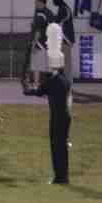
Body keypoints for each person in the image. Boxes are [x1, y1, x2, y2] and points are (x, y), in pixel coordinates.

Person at [38, 23, 71, 184]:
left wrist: (27, 90)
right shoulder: (63, 79)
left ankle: (60, 176)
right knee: (61, 147)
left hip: (58, 117)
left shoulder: (55, 80)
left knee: (57, 147)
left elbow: (40, 91)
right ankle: (62, 175)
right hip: (63, 116)